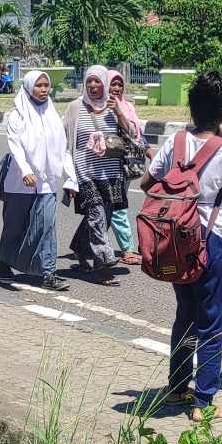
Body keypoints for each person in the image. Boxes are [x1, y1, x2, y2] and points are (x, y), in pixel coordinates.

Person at [146, 71, 222, 422]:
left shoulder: (174, 142)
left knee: (185, 315)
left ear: (190, 108)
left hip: (174, 238)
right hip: (210, 241)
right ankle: (204, 402)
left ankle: (177, 386)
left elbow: (148, 181)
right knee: (210, 321)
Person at [0, 70, 71, 291]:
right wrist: (26, 170)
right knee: (15, 227)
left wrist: (70, 177)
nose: (43, 90)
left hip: (47, 182)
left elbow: (62, 148)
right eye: (39, 86)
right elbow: (15, 146)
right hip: (20, 183)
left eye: (46, 86)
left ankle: (48, 273)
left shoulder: (52, 114)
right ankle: (3, 259)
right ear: (29, 87)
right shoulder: (18, 115)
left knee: (47, 226)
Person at [66, 66, 129, 284]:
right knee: (96, 215)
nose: (93, 86)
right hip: (85, 173)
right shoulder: (75, 107)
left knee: (104, 217)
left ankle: (79, 249)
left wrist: (118, 111)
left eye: (97, 82)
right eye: (90, 82)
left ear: (104, 83)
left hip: (111, 173)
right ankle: (103, 263)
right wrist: (68, 176)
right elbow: (64, 140)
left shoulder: (113, 106)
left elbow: (129, 133)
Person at [107, 68, 144, 265]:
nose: (117, 88)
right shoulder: (100, 107)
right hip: (109, 165)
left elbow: (135, 132)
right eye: (113, 83)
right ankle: (127, 249)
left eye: (119, 84)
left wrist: (149, 151)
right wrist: (115, 111)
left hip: (127, 165)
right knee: (117, 206)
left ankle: (84, 244)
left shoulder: (128, 106)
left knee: (106, 207)